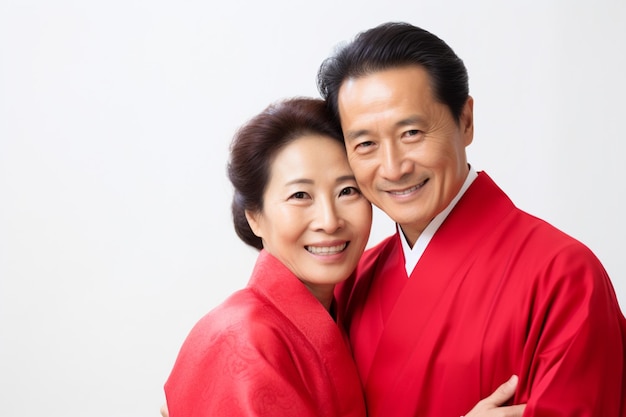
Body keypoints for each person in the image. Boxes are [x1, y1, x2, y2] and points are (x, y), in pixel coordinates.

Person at [317, 21, 626, 417]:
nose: (393, 168)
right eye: (365, 144)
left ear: (465, 121)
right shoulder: (353, 281)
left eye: (411, 132)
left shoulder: (563, 276)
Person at [161, 97, 526, 417]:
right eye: (300, 196)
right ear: (254, 216)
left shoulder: (345, 306)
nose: (330, 221)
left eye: (348, 190)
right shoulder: (242, 339)